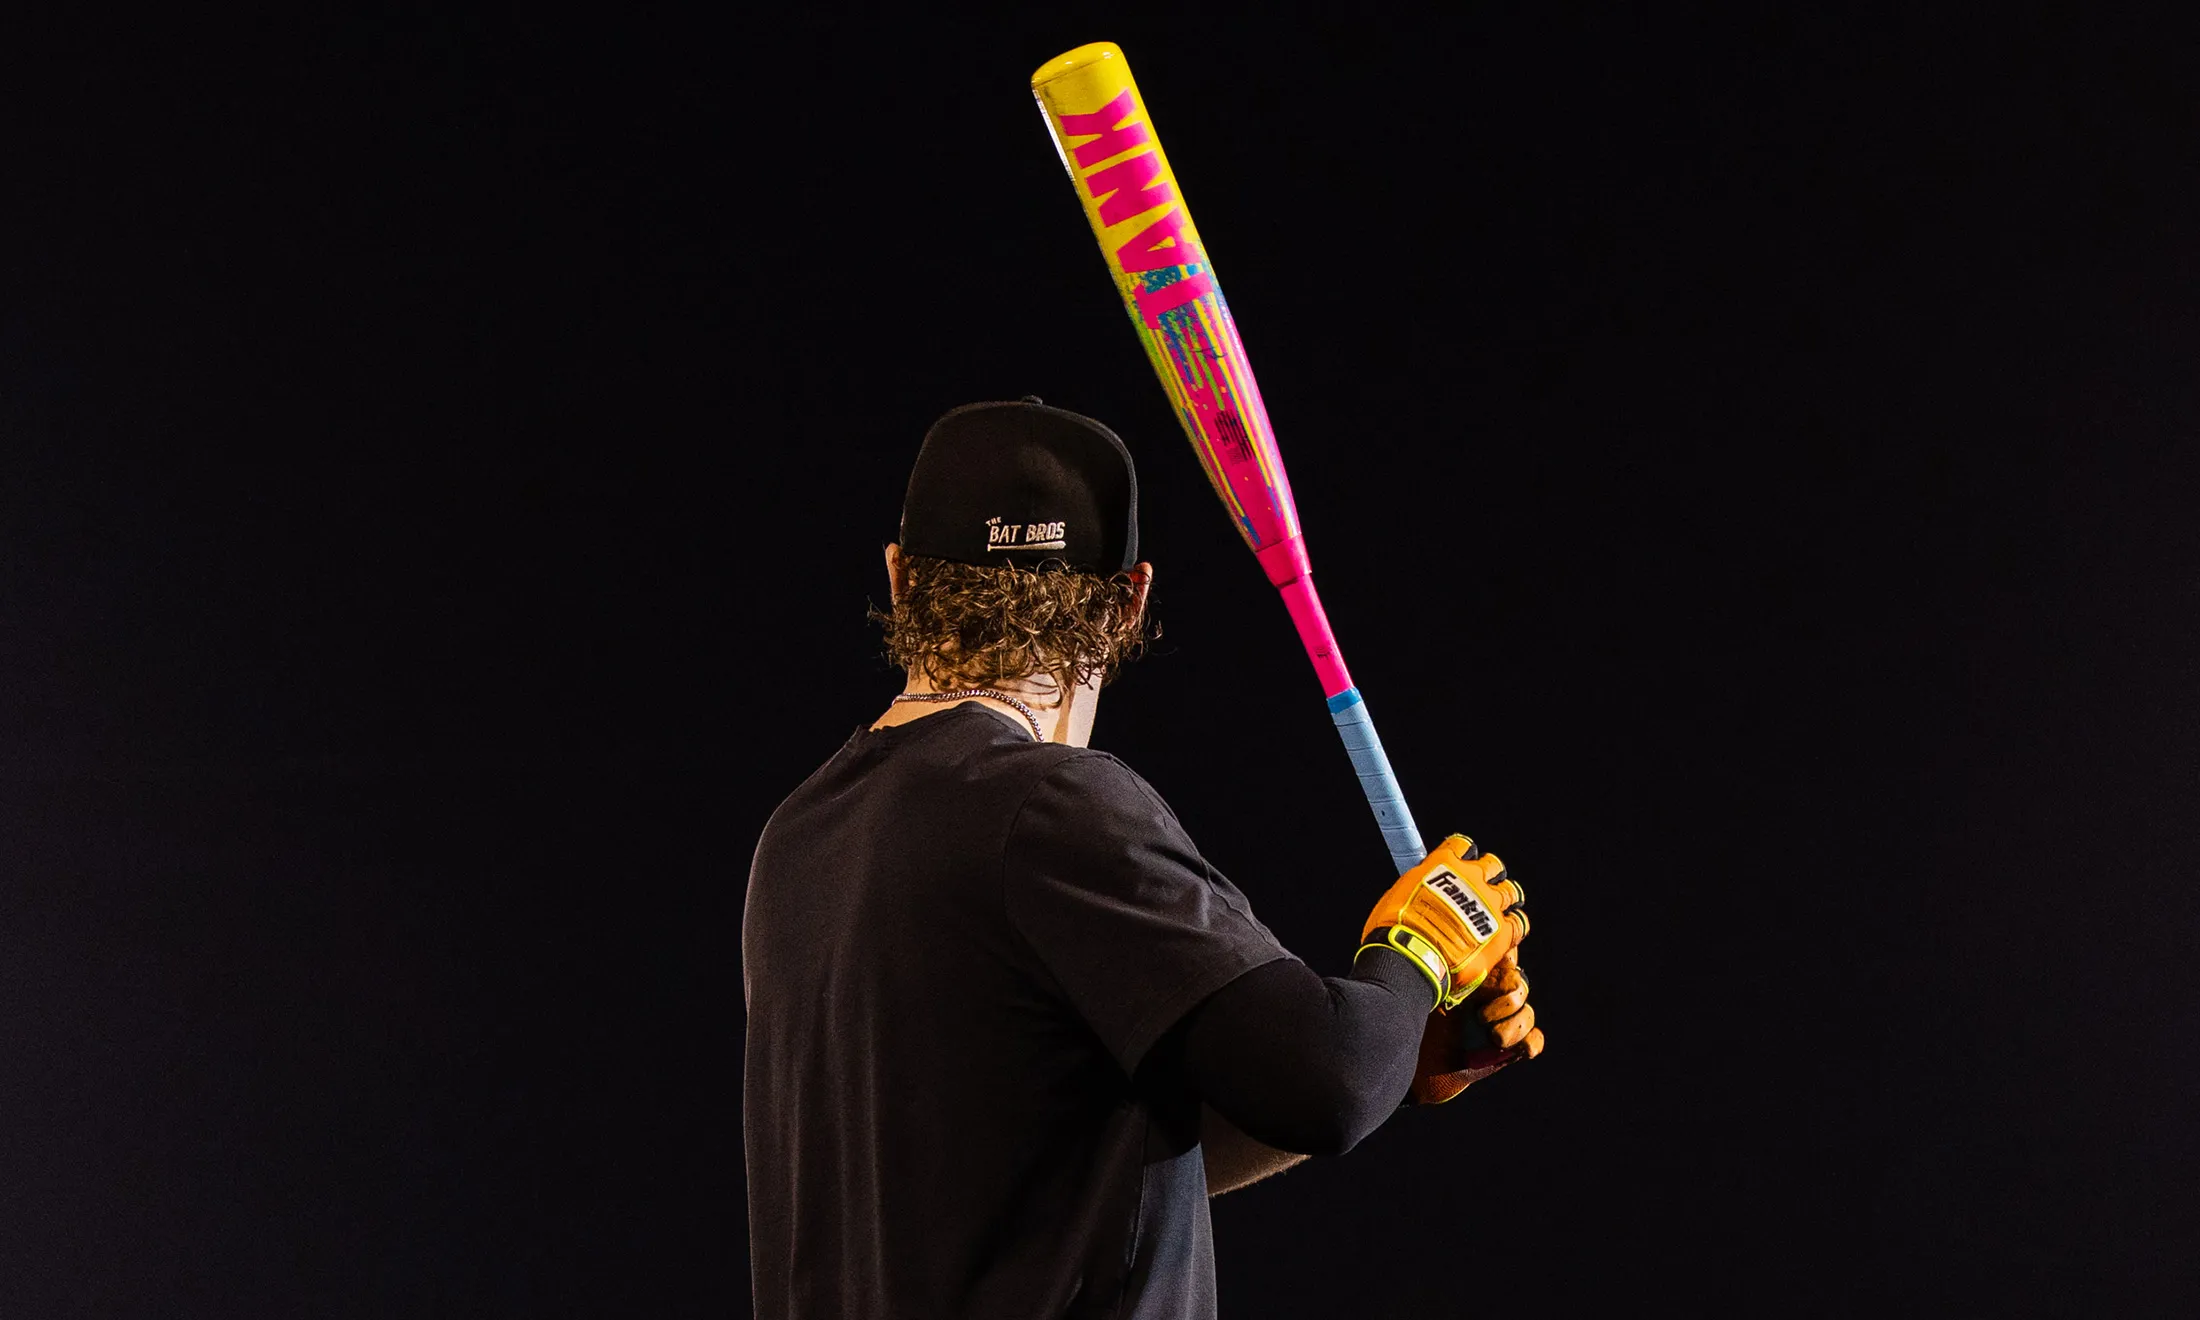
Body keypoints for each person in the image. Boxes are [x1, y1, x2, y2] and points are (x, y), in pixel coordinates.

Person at [743, 398, 1544, 1320]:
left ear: (898, 577)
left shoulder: (797, 838)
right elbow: (1324, 1082)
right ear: (1130, 601)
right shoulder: (1050, 805)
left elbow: (1079, 1167)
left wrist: (1395, 1046)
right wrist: (1420, 950)